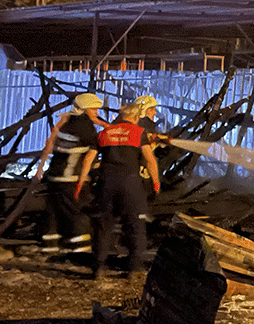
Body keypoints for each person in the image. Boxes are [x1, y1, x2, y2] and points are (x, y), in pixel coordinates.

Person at [77, 103, 160, 278]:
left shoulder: (104, 133)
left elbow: (89, 159)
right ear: (136, 117)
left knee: (103, 226)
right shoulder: (139, 133)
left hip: (106, 184)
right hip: (130, 185)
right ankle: (134, 268)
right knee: (135, 226)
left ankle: (98, 267)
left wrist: (81, 181)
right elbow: (150, 160)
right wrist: (156, 182)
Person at [31, 93, 108, 254]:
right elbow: (89, 157)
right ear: (85, 109)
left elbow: (49, 144)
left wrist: (40, 169)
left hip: (54, 177)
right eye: (94, 109)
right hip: (71, 179)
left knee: (53, 213)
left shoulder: (65, 122)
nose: (97, 112)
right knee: (78, 213)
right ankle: (80, 250)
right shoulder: (86, 128)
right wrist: (83, 179)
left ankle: (49, 246)